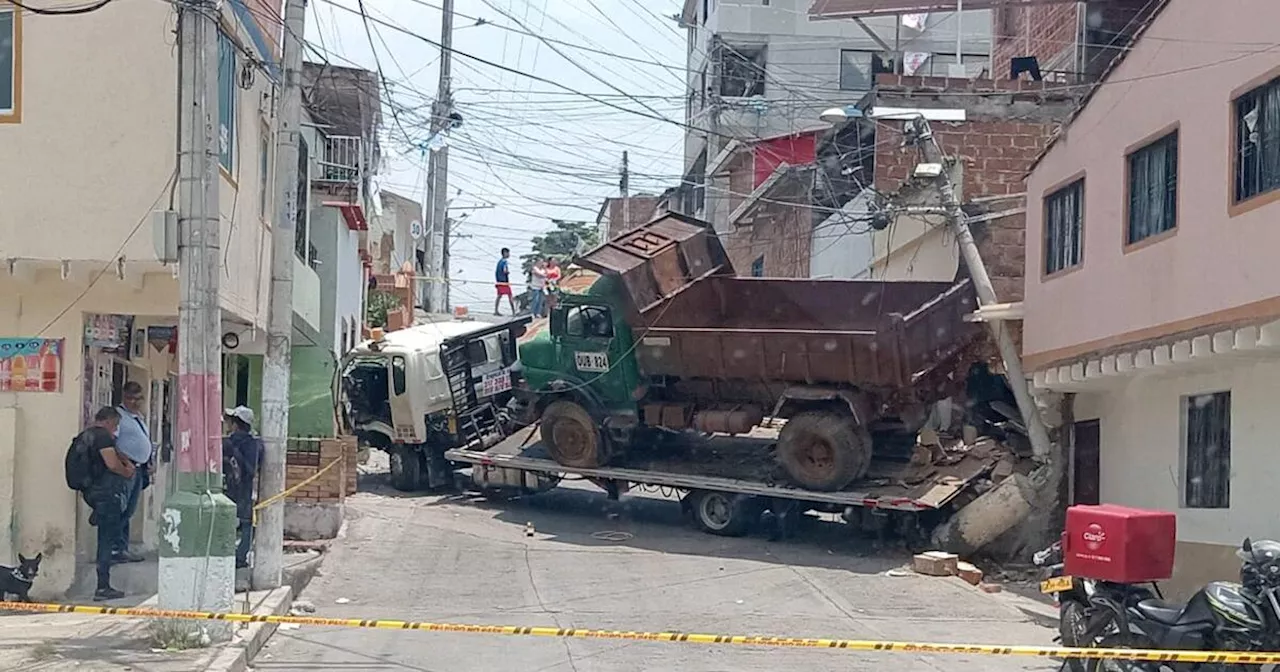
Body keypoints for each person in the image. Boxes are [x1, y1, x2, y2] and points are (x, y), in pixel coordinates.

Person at [78, 406, 133, 601]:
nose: (115, 429)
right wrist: (126, 471)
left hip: (92, 492)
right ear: (109, 421)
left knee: (106, 535)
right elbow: (111, 463)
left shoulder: (86, 435)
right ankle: (103, 587)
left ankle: (97, 512)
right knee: (106, 540)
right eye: (115, 425)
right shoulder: (103, 437)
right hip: (106, 494)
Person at [113, 381, 152, 564]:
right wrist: (125, 462)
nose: (135, 402)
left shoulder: (138, 417)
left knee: (129, 510)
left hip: (139, 468)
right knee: (121, 509)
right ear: (124, 398)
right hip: (125, 469)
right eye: (131, 398)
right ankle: (116, 548)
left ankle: (123, 547)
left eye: (138, 398)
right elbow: (112, 441)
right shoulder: (119, 416)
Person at [222, 406, 263, 569]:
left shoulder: (232, 443)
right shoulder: (255, 445)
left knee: (238, 523)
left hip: (233, 488)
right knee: (246, 524)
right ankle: (238, 556)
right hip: (244, 488)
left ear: (236, 424)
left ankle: (231, 555)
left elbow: (250, 469)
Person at [494, 247, 515, 316]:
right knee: (510, 295)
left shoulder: (499, 262)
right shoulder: (504, 262)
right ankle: (513, 312)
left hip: (499, 281)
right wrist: (507, 272)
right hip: (504, 282)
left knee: (499, 296)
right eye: (508, 253)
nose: (509, 254)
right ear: (505, 253)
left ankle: (496, 310)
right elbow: (505, 270)